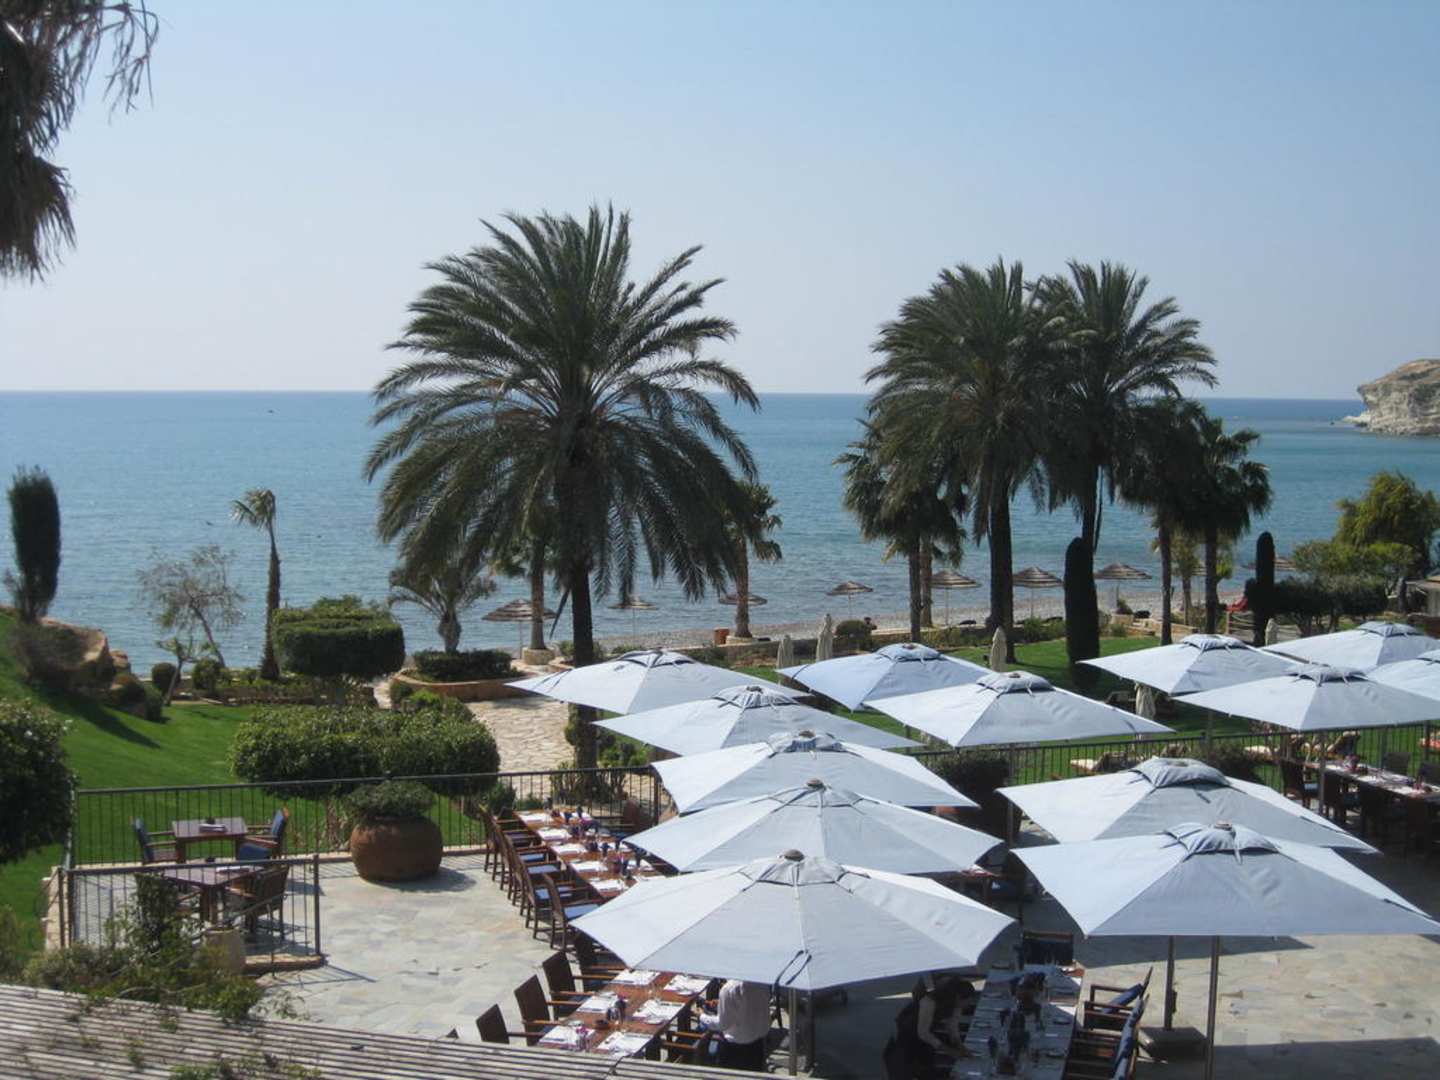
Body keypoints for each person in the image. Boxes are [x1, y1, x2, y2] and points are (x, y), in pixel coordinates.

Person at [699, 979, 771, 1070]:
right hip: (757, 1045)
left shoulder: (728, 989)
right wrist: (722, 1002)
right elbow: (749, 1005)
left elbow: (722, 1024)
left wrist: (701, 1016)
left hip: (734, 1049)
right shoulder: (762, 983)